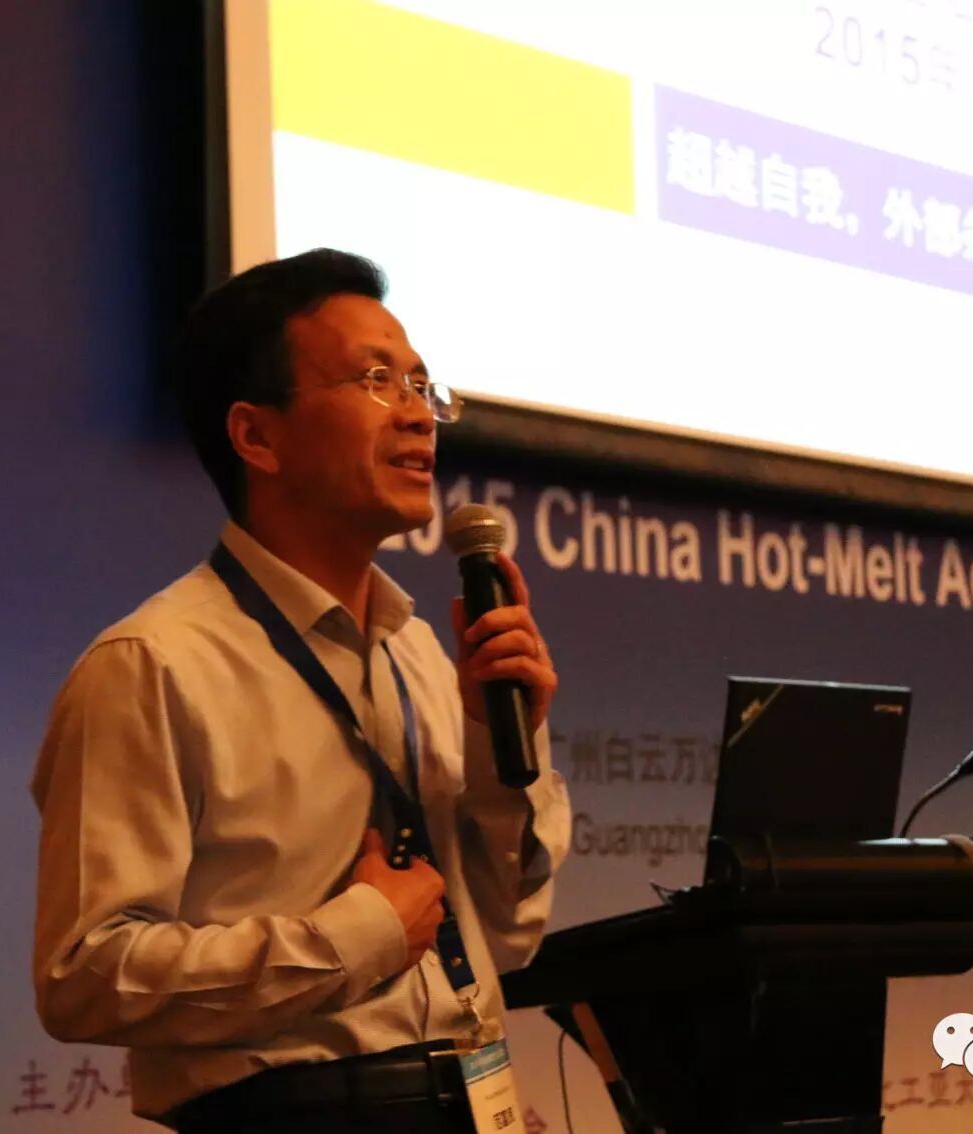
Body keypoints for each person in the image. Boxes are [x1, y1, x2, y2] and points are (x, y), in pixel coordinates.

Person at [29, 248, 571, 1132]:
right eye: (375, 381)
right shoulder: (153, 664)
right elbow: (84, 976)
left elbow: (506, 935)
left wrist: (498, 739)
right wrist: (355, 938)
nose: (417, 416)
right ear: (256, 436)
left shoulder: (420, 654)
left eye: (421, 386)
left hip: (473, 1101)